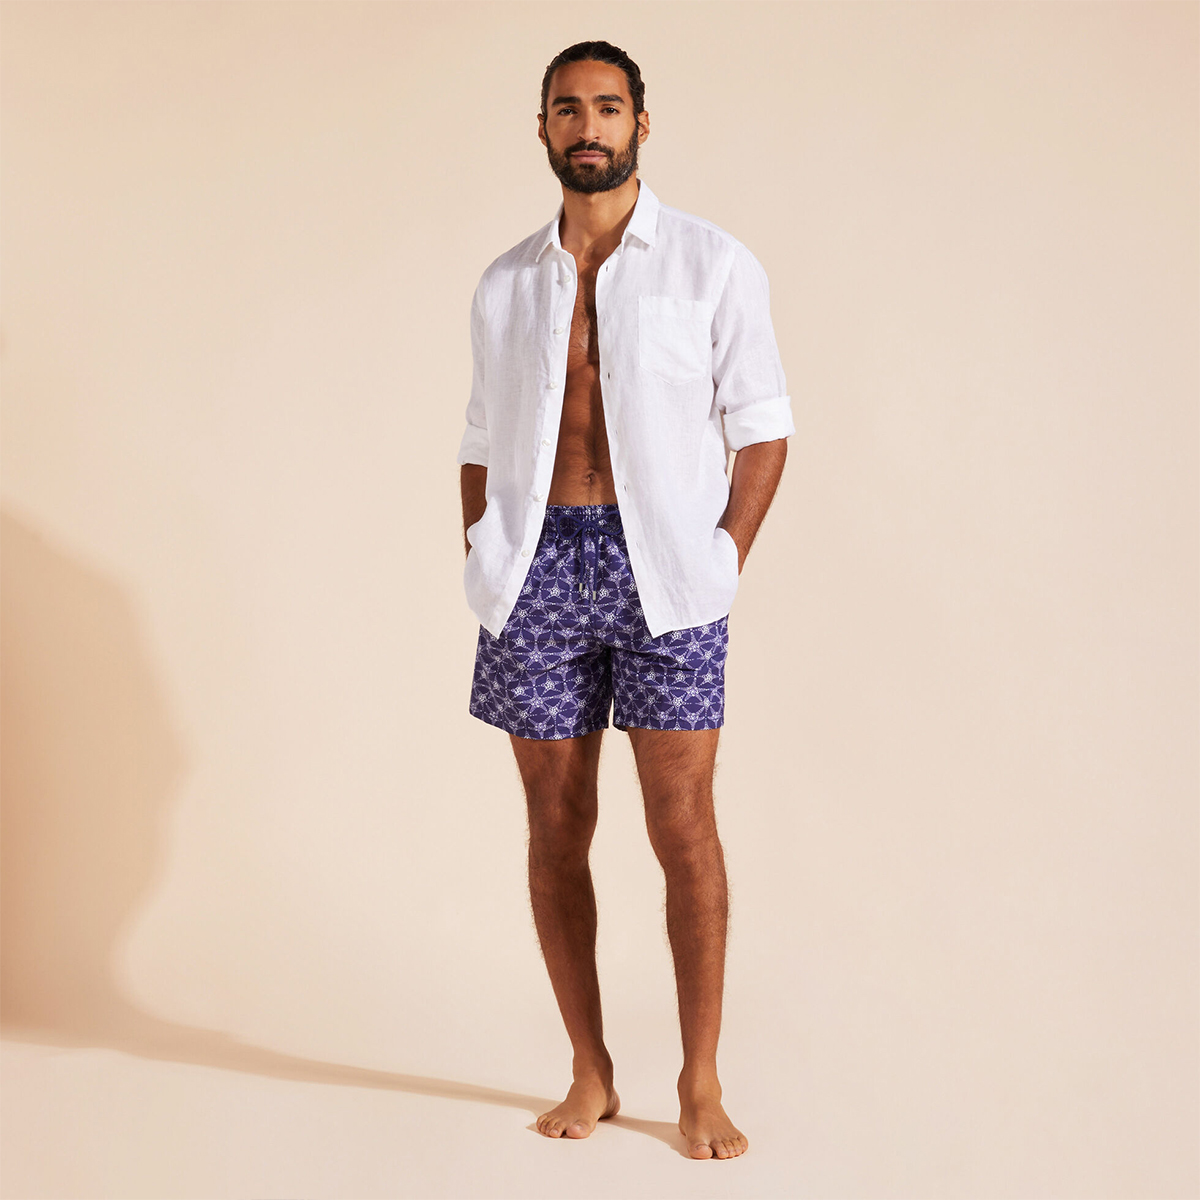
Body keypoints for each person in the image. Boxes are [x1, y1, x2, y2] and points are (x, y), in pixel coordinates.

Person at [455, 39, 792, 1161]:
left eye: (607, 107)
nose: (587, 126)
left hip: (671, 576)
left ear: (642, 123)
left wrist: (722, 558)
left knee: (682, 826)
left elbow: (762, 426)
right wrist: (485, 547)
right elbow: (480, 436)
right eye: (568, 108)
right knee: (556, 828)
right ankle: (590, 1068)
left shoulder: (712, 262)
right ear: (543, 128)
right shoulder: (505, 283)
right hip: (537, 567)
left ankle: (700, 1079)